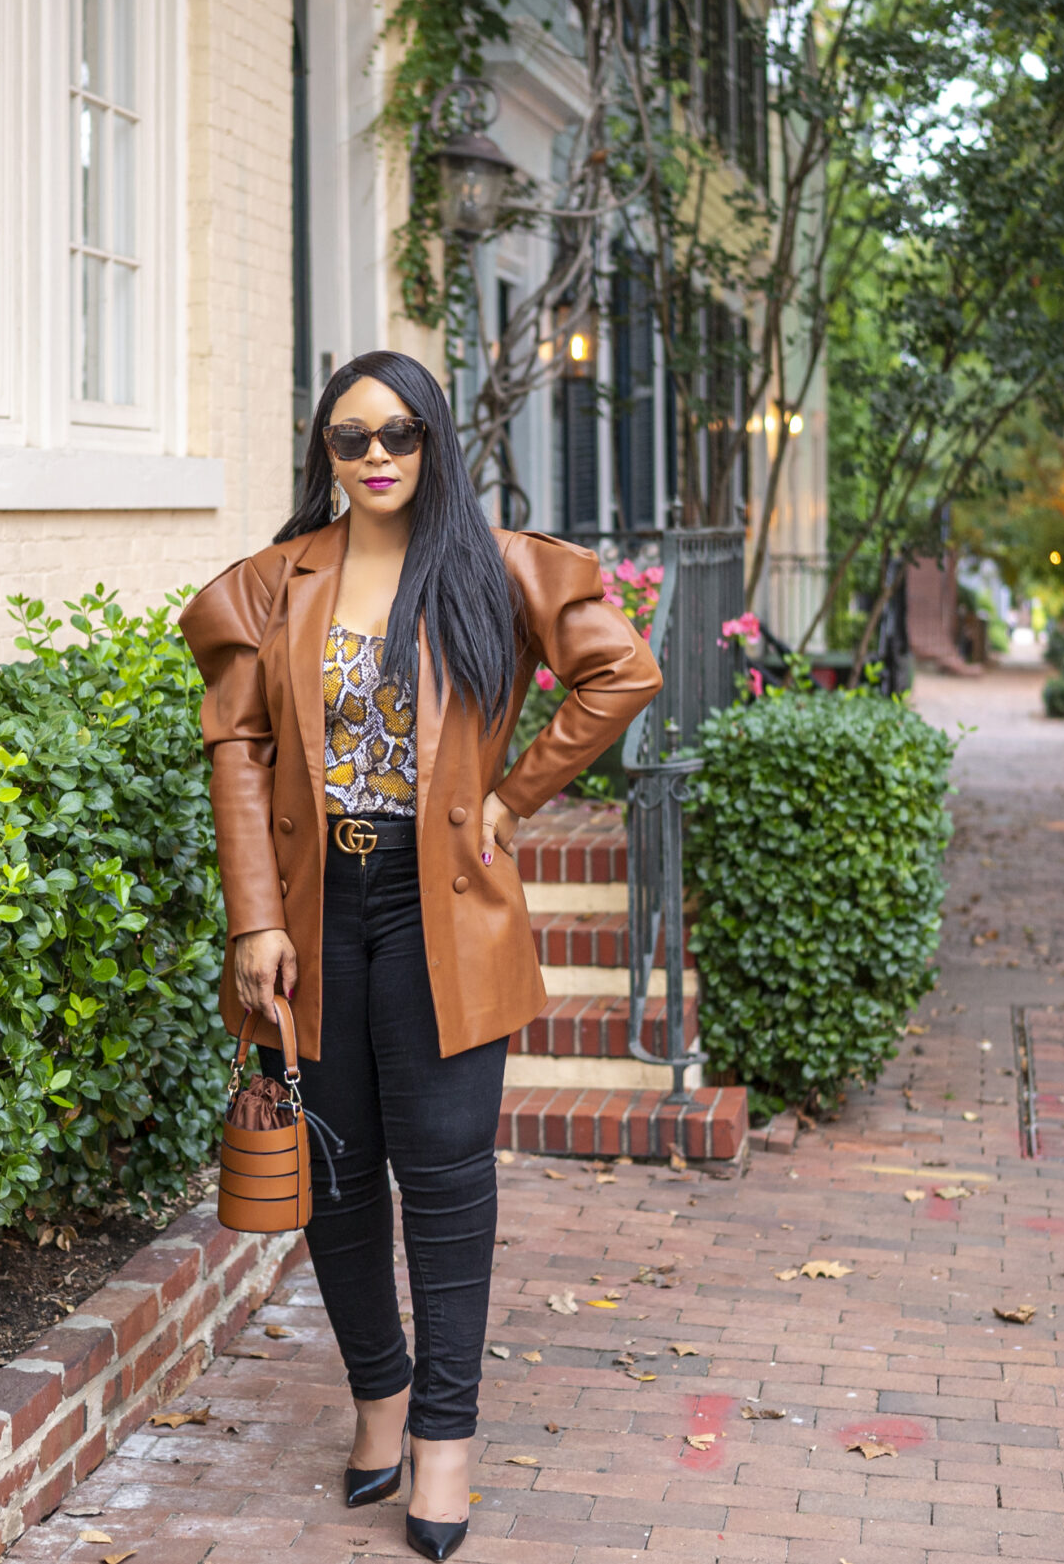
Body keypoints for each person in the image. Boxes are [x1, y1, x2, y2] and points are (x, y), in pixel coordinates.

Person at [179, 350, 660, 1560]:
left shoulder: (496, 569)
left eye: (399, 432)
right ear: (324, 455)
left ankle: (444, 1441)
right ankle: (379, 1395)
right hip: (313, 905)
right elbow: (236, 750)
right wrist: (255, 918)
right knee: (337, 1181)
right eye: (351, 438)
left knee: (443, 1179)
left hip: (441, 901)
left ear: (435, 440)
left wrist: (515, 794)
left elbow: (622, 672)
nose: (378, 454)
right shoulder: (275, 583)